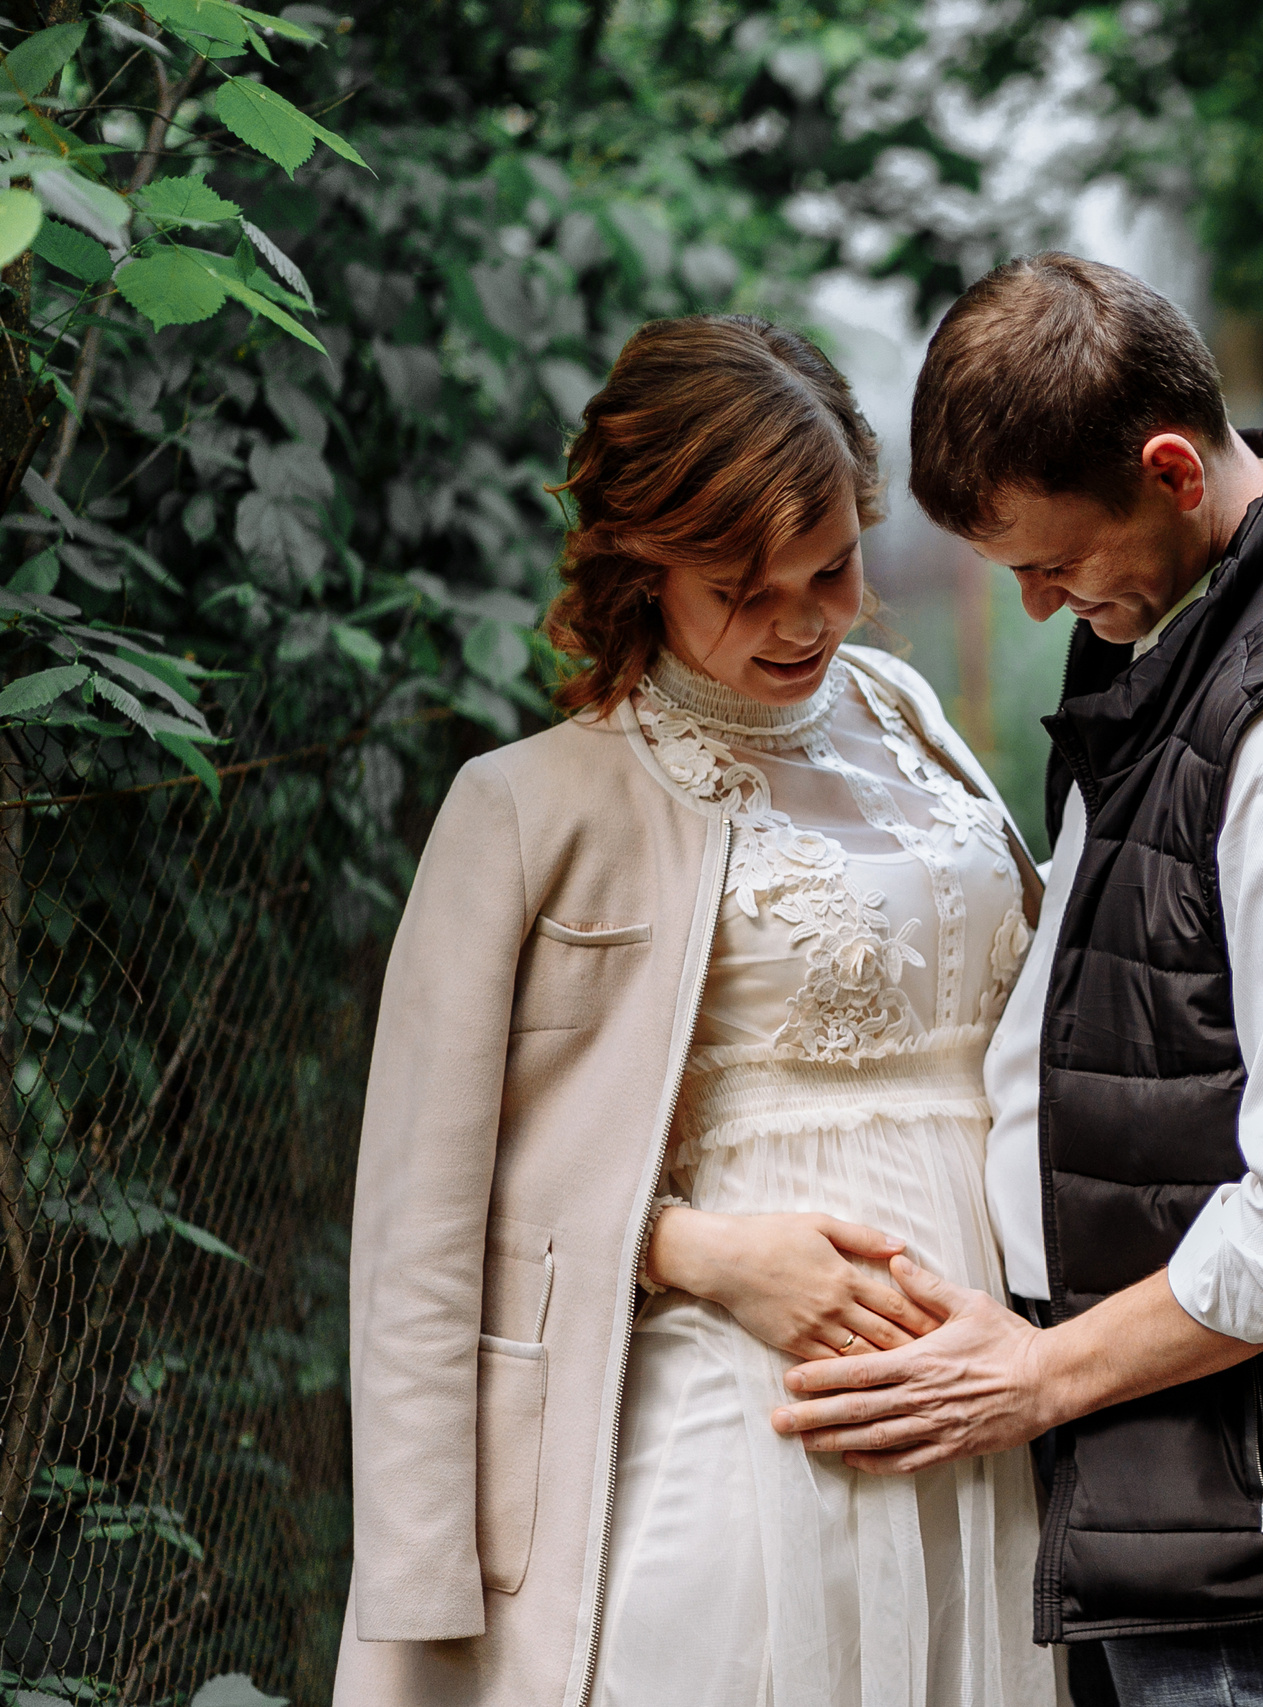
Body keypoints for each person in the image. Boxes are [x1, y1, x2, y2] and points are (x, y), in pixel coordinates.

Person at [770, 253, 1263, 1707]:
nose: (1041, 606)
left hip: (1209, 1498)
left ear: (1171, 470)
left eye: (1052, 563)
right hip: (1160, 1477)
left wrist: (1038, 1376)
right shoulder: (1207, 631)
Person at [334, 314, 1056, 1707]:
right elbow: (419, 1220)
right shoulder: (532, 809)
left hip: (986, 1417)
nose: (801, 621)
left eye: (834, 567)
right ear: (637, 562)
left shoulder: (903, 710)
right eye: (741, 585)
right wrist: (696, 1249)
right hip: (741, 1420)